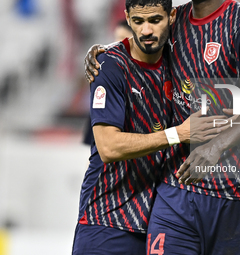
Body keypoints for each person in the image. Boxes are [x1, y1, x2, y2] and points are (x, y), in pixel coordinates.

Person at [85, 0, 240, 254]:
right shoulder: (175, 20)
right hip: (177, 186)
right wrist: (103, 53)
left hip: (235, 189)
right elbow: (140, 41)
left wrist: (215, 147)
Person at [72, 0, 229, 254]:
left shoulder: (179, 62)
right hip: (107, 222)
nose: (146, 30)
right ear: (127, 18)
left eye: (155, 20)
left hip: (159, 227)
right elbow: (108, 147)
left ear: (171, 17)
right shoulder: (110, 67)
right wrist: (177, 134)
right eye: (138, 21)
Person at [82, 20, 133, 146]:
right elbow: (95, 150)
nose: (117, 42)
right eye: (116, 37)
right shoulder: (104, 80)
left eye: (122, 38)